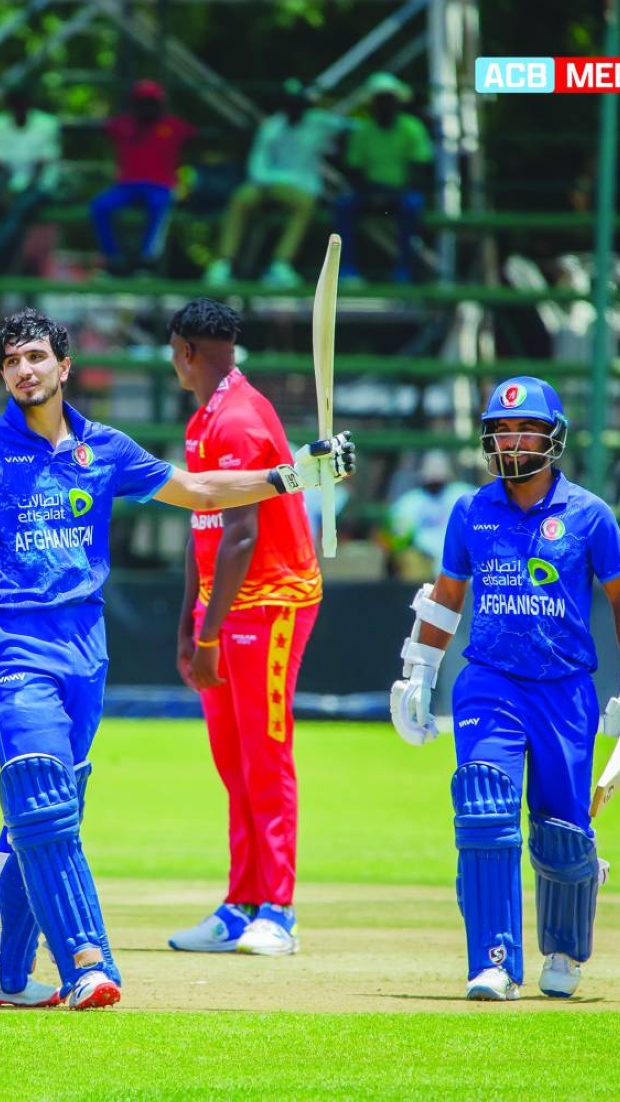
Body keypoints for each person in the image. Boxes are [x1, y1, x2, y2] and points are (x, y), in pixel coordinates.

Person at [0, 307, 355, 1011]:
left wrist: (294, 475)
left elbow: (201, 492)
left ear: (64, 367)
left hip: (85, 653)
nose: (23, 370)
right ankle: (87, 962)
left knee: (43, 814)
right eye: (10, 362)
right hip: (11, 646)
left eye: (35, 357)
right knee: (42, 795)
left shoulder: (107, 448)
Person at [388, 376, 620, 1001]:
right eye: (503, 430)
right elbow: (446, 598)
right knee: (484, 807)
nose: (513, 440)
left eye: (526, 430)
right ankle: (493, 961)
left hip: (565, 687)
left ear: (552, 438)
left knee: (563, 832)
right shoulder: (470, 510)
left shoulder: (589, 514)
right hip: (488, 679)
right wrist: (421, 673)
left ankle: (566, 948)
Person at [164, 299, 322, 957]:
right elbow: (201, 528)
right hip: (223, 608)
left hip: (272, 601)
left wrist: (206, 636)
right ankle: (239, 903)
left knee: (264, 755)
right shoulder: (205, 416)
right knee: (234, 761)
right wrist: (190, 623)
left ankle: (276, 910)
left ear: (185, 351)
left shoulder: (239, 418)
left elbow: (241, 533)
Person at [204, 80, 349, 290]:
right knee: (240, 198)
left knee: (305, 205)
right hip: (265, 184)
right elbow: (257, 163)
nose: (294, 109)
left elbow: (351, 125)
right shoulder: (272, 127)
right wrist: (268, 184)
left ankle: (280, 264)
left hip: (300, 188)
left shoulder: (319, 123)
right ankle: (223, 263)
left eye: (298, 103)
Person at [89, 80, 197, 277]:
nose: (146, 107)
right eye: (142, 102)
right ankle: (114, 259)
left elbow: (196, 141)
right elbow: (98, 127)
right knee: (100, 205)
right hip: (127, 186)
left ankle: (147, 261)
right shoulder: (124, 124)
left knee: (159, 204)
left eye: (151, 102)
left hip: (160, 186)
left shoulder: (172, 126)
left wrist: (186, 184)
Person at [334, 72, 433, 285]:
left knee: (412, 206)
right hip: (370, 192)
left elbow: (419, 168)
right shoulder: (363, 131)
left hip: (401, 192)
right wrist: (372, 193)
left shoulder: (411, 128)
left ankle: (405, 269)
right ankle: (347, 269)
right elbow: (354, 170)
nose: (385, 105)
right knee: (343, 206)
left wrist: (393, 193)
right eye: (381, 100)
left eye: (389, 99)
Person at [0, 83, 62, 272]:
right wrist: (6, 190)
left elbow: (41, 166)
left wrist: (18, 191)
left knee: (19, 207)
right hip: (4, 184)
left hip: (37, 185)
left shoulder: (47, 125)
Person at [384, 450, 476, 581]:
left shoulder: (464, 494)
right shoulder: (409, 501)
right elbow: (396, 538)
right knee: (410, 559)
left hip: (461, 557)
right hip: (425, 559)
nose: (435, 481)